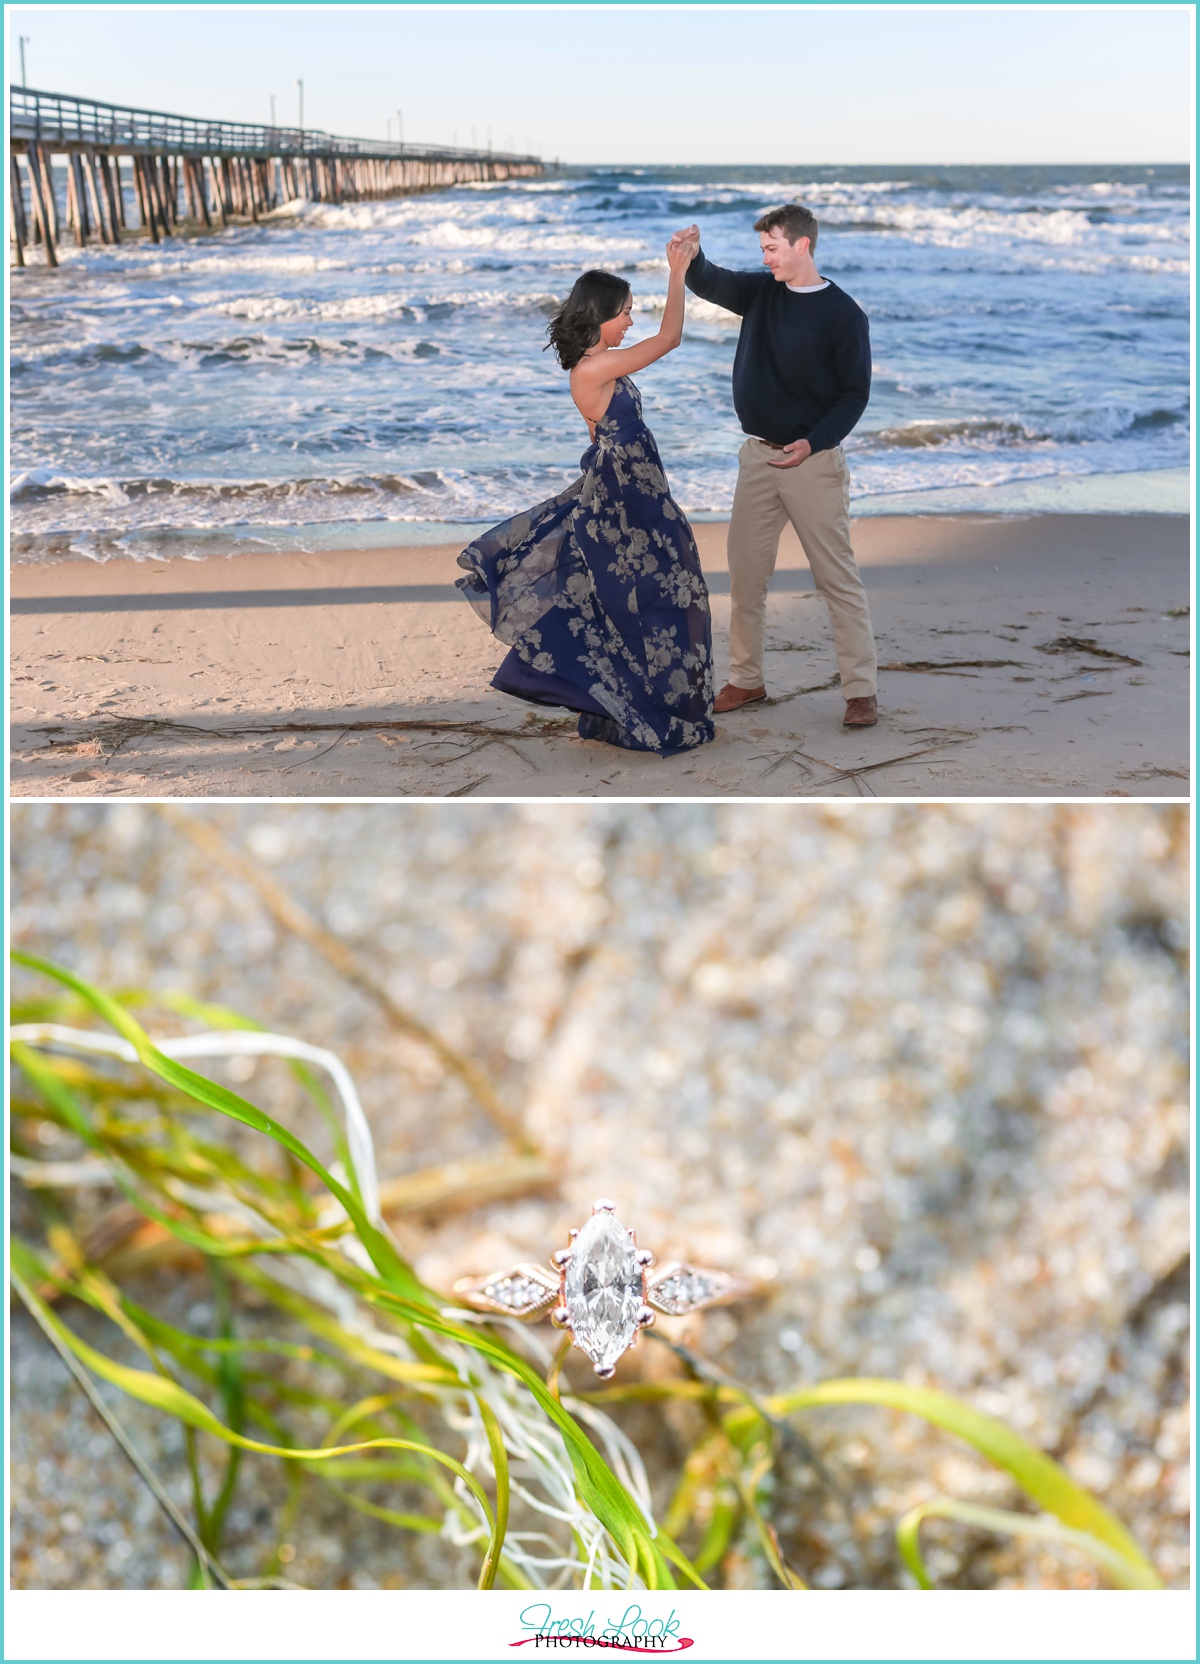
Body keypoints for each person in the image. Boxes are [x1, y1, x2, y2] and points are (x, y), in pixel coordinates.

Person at [456, 236, 714, 755]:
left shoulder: (604, 364)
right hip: (626, 501)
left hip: (638, 495)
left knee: (667, 595)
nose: (630, 322)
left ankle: (658, 706)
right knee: (659, 596)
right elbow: (671, 338)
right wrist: (677, 272)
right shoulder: (593, 370)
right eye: (625, 313)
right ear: (600, 316)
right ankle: (650, 711)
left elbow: (599, 436)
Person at [669, 204, 879, 727]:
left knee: (837, 579)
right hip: (758, 459)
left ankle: (860, 691)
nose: (765, 260)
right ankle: (747, 679)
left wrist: (816, 441)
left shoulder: (844, 314)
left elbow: (855, 394)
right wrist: (692, 256)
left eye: (772, 249)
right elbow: (711, 280)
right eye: (762, 250)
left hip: (813, 463)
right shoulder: (761, 293)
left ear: (802, 245)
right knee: (746, 576)